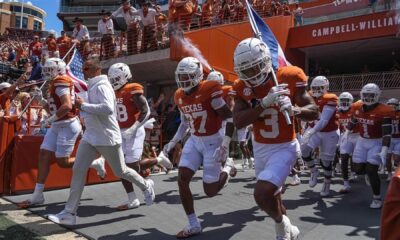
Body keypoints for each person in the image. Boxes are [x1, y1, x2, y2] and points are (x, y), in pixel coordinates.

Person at [47, 59, 155, 225]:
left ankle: (146, 186)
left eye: (86, 68)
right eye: (84, 67)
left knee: (121, 172)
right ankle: (69, 213)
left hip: (107, 137)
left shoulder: (102, 85)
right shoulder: (94, 84)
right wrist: (83, 108)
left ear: (96, 69)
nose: (83, 71)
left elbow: (107, 109)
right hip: (91, 136)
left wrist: (83, 106)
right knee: (78, 170)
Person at [232, 37, 318, 240]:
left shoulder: (288, 76)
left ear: (265, 61)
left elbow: (314, 111)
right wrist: (263, 104)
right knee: (274, 197)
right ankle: (288, 230)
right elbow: (238, 121)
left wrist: (295, 109)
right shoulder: (241, 87)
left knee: (261, 194)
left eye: (255, 68)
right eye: (246, 69)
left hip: (284, 146)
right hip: (260, 147)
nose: (251, 74)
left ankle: (281, 227)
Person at [17, 58, 106, 209]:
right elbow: (53, 108)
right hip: (58, 124)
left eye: (49, 69)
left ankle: (94, 163)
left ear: (58, 69)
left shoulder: (61, 81)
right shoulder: (55, 82)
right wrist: (42, 101)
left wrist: (49, 120)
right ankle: (38, 194)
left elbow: (66, 106)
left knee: (62, 162)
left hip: (67, 125)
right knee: (44, 154)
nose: (46, 72)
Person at [164, 57, 236, 238]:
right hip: (195, 140)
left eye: (187, 76)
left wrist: (226, 144)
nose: (183, 80)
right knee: (182, 178)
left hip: (213, 141)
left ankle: (227, 168)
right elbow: (184, 123)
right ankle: (193, 223)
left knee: (210, 191)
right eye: (181, 76)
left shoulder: (209, 89)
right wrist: (173, 142)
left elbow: (229, 117)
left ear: (197, 76)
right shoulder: (179, 95)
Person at [108, 62, 172, 210]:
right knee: (120, 168)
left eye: (116, 78)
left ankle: (157, 162)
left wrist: (134, 128)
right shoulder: (113, 92)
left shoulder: (132, 89)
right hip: (120, 131)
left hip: (134, 131)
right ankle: (132, 199)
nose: (113, 81)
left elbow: (146, 111)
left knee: (131, 167)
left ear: (125, 76)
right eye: (111, 78)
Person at [348, 83, 393, 208]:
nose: (368, 97)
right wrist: (347, 132)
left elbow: (387, 133)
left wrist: (384, 149)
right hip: (362, 140)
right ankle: (367, 174)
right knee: (357, 169)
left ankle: (377, 198)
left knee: (372, 169)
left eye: (371, 95)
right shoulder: (357, 107)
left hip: (377, 141)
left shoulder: (383, 110)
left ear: (377, 96)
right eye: (366, 95)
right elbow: (353, 120)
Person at [301, 76, 339, 197]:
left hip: (329, 132)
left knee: (326, 162)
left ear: (326, 88)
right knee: (304, 150)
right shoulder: (309, 96)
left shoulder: (330, 98)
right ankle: (313, 171)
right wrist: (304, 126)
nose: (317, 90)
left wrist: (310, 132)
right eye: (314, 87)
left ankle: (327, 183)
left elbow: (324, 121)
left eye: (320, 88)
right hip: (315, 130)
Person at [336, 92, 359, 193]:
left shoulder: (355, 110)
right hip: (345, 136)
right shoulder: (337, 112)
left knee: (356, 158)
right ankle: (346, 183)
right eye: (342, 101)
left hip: (357, 135)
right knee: (344, 158)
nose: (344, 103)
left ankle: (356, 172)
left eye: (346, 101)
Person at [386, 98, 400, 180]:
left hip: (398, 138)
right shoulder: (386, 114)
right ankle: (389, 174)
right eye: (390, 106)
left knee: (397, 158)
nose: (391, 107)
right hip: (390, 138)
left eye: (393, 106)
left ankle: (397, 173)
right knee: (387, 157)